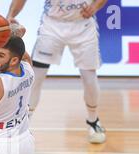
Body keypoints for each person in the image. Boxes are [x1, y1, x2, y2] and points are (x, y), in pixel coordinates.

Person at [7, 0, 108, 144]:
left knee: (89, 78)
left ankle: (93, 121)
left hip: (83, 25)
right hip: (52, 25)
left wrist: (95, 6)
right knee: (36, 76)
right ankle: (24, 124)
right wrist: (10, 15)